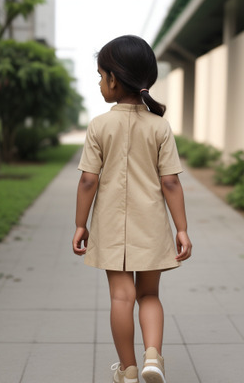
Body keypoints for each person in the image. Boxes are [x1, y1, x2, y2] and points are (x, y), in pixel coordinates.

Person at [72, 35, 192, 383]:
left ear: (114, 78)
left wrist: (81, 223)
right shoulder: (159, 126)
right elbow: (171, 182)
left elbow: (88, 182)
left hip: (110, 226)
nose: (98, 82)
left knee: (121, 297)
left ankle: (127, 370)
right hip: (151, 225)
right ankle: (153, 356)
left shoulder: (99, 125)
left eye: (100, 75)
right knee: (149, 294)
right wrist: (181, 228)